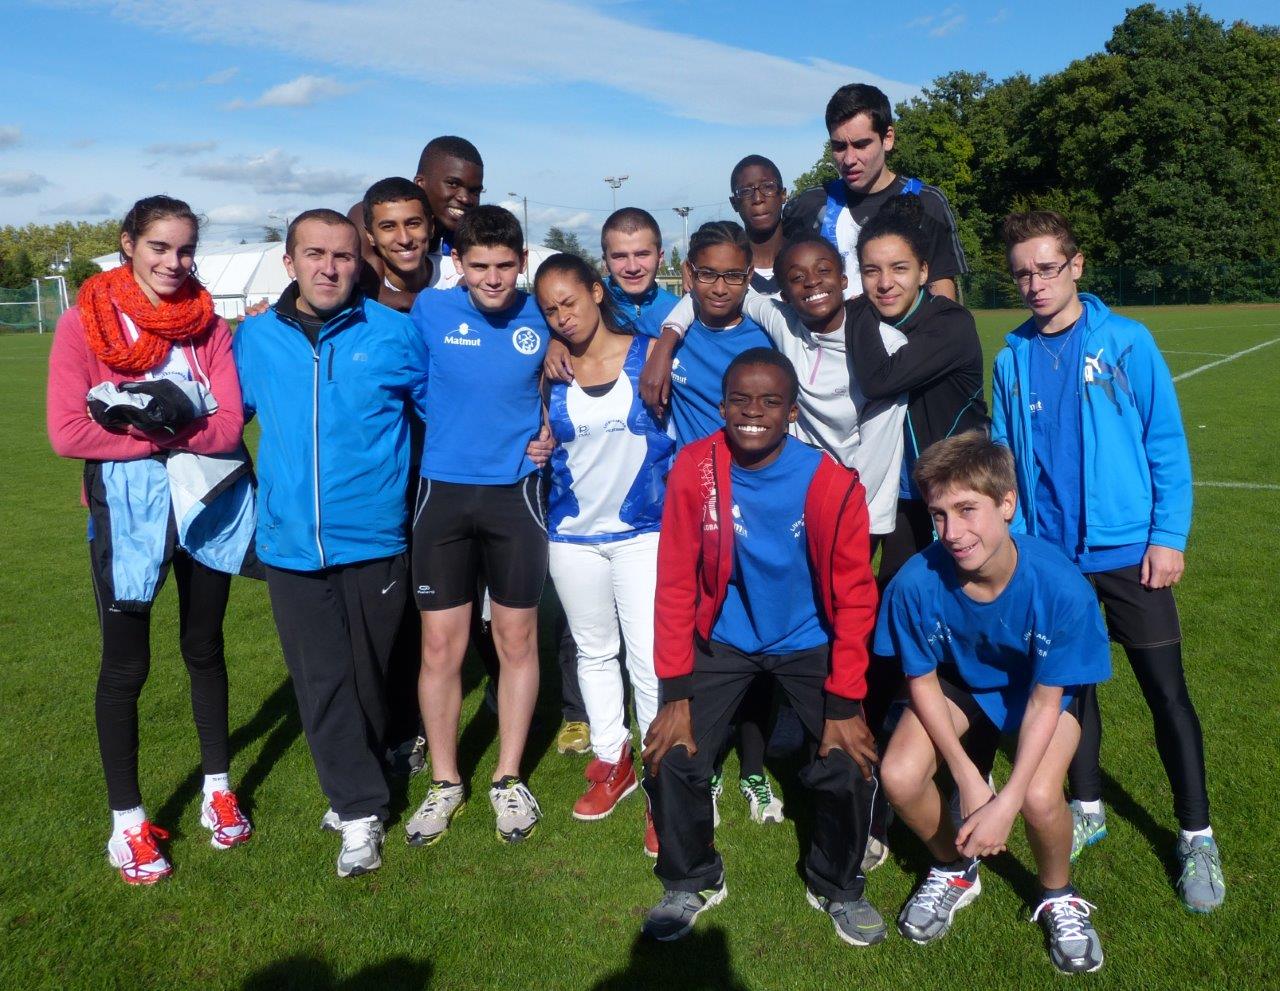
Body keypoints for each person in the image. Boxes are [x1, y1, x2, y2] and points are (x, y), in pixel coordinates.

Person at [991, 210, 1223, 912]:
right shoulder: (1010, 357)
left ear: (1076, 265)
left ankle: (1196, 835)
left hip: (1129, 552)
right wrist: (1022, 547)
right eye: (1022, 273)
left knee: (1166, 693)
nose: (1035, 283)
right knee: (1070, 691)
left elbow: (1165, 441)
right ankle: (1086, 806)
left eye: (1047, 268)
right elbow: (1004, 464)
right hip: (1052, 557)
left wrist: (1168, 535)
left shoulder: (1127, 341)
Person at [642, 349, 884, 946]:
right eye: (740, 401)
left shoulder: (832, 483)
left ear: (792, 411)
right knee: (671, 752)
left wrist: (845, 702)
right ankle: (692, 878)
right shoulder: (695, 469)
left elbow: (856, 599)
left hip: (808, 638)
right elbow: (674, 583)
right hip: (725, 636)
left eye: (770, 401)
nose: (753, 412)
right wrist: (675, 693)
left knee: (847, 759)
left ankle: (837, 884)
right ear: (721, 407)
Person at [48, 195, 253, 884]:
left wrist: (141, 422)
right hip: (128, 514)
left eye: (186, 248)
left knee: (205, 648)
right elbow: (67, 432)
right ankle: (128, 823)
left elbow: (229, 427)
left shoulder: (208, 325)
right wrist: (172, 432)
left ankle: (218, 787)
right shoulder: (84, 322)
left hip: (210, 503)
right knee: (125, 667)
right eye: (160, 246)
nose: (174, 261)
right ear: (128, 243)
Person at [233, 208, 429, 878]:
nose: (329, 267)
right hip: (289, 544)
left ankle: (356, 781)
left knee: (368, 678)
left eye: (342, 256)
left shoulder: (395, 334)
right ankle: (359, 807)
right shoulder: (255, 339)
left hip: (373, 538)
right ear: (289, 262)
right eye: (314, 254)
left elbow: (441, 417)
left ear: (359, 263)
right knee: (321, 679)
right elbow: (223, 424)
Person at [876, 432, 1111, 974]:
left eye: (967, 510)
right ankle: (953, 867)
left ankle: (1057, 894)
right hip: (964, 680)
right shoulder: (915, 583)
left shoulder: (1061, 587)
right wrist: (968, 778)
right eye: (939, 515)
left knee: (1040, 797)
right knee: (900, 775)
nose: (952, 533)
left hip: (1040, 690)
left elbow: (1046, 704)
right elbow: (922, 681)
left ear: (1007, 504)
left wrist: (1005, 801)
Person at [404, 205, 550, 848]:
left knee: (517, 639)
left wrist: (547, 428)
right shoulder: (431, 311)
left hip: (516, 497)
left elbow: (571, 379)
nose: (493, 278)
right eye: (480, 265)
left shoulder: (542, 316)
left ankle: (508, 776)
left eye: (505, 265)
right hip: (443, 495)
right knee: (441, 647)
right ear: (458, 264)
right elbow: (415, 386)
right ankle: (445, 780)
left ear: (523, 263)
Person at [535, 252, 675, 856]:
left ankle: (664, 784)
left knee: (648, 661)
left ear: (596, 291)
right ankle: (612, 763)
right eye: (550, 311)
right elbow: (542, 438)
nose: (562, 317)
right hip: (572, 536)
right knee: (593, 653)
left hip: (644, 532)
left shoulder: (651, 354)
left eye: (569, 302)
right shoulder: (553, 371)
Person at [656, 234, 908, 539]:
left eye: (823, 270)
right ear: (784, 295)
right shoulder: (783, 323)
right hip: (796, 496)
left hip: (858, 506)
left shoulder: (887, 347)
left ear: (844, 279)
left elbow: (877, 453)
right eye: (797, 277)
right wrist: (667, 338)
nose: (812, 282)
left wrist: (844, 510)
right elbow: (718, 290)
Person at [781, 83, 967, 301]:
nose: (849, 159)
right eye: (839, 147)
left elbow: (943, 303)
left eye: (861, 145)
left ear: (887, 138)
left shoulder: (928, 202)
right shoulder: (808, 206)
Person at [601, 207, 681, 338]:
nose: (632, 268)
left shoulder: (679, 311)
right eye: (620, 256)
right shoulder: (589, 308)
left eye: (642, 255)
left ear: (660, 258)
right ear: (605, 262)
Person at [728, 155, 788, 296]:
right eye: (745, 191)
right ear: (734, 203)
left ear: (783, 195)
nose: (758, 199)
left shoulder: (806, 258)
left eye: (768, 187)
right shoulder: (725, 267)